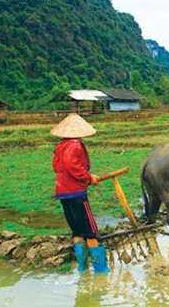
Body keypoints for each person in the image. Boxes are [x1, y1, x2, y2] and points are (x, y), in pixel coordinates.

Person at [50, 113, 110, 273]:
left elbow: (57, 168)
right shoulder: (75, 145)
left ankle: (82, 268)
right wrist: (88, 176)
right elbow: (73, 166)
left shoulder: (61, 146)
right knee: (90, 232)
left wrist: (85, 178)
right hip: (76, 193)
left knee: (77, 231)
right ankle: (101, 271)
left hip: (63, 192)